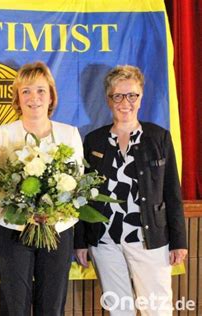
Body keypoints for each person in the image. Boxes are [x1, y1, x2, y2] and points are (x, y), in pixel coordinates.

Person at [74, 65, 187, 315]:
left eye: (132, 95)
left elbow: (172, 192)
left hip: (150, 240)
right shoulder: (94, 141)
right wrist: (80, 241)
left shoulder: (159, 137)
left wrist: (179, 241)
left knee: (157, 309)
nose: (125, 102)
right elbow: (82, 196)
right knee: (119, 310)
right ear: (108, 99)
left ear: (141, 97)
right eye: (118, 96)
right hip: (105, 243)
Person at [0, 61, 84, 315]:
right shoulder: (4, 134)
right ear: (17, 97)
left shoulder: (69, 134)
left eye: (41, 90)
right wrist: (24, 210)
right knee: (14, 305)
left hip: (58, 230)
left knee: (51, 305)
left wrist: (54, 211)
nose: (34, 98)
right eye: (26, 91)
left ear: (51, 95)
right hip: (13, 229)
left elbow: (77, 186)